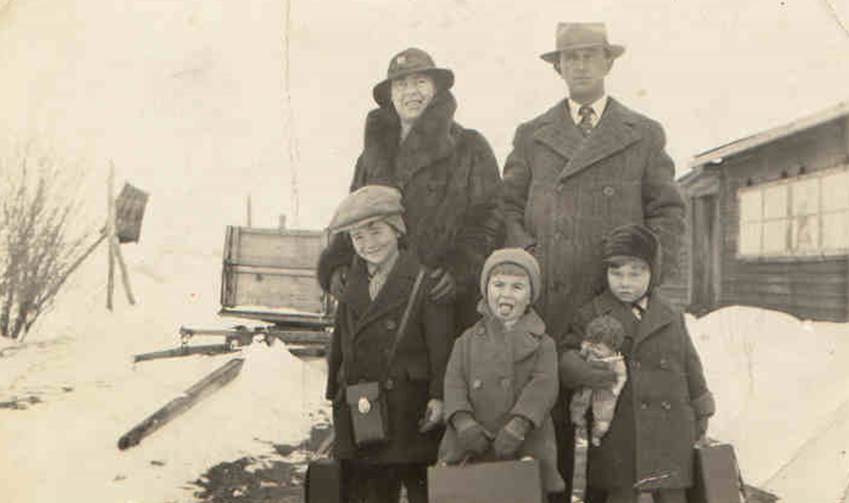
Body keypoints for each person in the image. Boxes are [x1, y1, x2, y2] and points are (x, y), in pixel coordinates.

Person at [499, 22, 687, 494]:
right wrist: (529, 258)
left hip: (614, 308)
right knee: (549, 439)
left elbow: (667, 212)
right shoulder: (532, 134)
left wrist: (640, 277)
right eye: (570, 57)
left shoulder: (642, 134)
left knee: (615, 445)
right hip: (549, 305)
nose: (580, 64)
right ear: (558, 67)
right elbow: (505, 208)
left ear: (608, 62)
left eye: (589, 55)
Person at [318, 47, 501, 334]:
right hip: (376, 294)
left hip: (436, 296)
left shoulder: (470, 147)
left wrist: (460, 269)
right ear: (390, 95)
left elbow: (489, 217)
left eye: (420, 82)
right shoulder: (370, 158)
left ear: (436, 89)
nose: (411, 92)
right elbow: (352, 217)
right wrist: (337, 265)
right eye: (401, 84)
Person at [560, 224, 715, 503]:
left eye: (636, 273)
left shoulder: (669, 314)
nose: (625, 282)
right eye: (616, 273)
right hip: (619, 429)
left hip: (671, 428)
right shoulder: (591, 313)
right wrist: (584, 371)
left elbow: (690, 363)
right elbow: (567, 354)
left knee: (671, 493)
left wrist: (702, 405)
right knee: (621, 492)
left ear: (652, 272)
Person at [324, 185, 454, 503]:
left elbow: (441, 346)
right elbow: (340, 341)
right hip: (361, 406)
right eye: (358, 237)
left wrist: (439, 395)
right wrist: (336, 392)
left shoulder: (423, 281)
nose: (369, 244)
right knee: (367, 492)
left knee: (418, 489)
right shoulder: (350, 283)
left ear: (397, 229)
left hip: (408, 408)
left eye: (376, 231)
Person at [438, 248, 565, 503]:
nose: (506, 294)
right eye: (498, 285)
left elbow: (543, 387)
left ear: (531, 296)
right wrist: (463, 423)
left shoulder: (543, 343)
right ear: (486, 290)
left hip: (523, 443)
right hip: (472, 443)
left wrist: (518, 426)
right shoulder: (466, 340)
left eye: (517, 287)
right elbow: (454, 384)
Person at [569, 315, 628, 448]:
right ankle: (580, 432)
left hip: (605, 394)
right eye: (592, 346)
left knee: (603, 418)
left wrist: (616, 389)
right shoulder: (591, 352)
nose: (594, 350)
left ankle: (597, 435)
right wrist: (585, 348)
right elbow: (581, 355)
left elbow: (622, 376)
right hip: (587, 387)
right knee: (578, 408)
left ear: (612, 348)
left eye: (599, 349)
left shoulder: (616, 361)